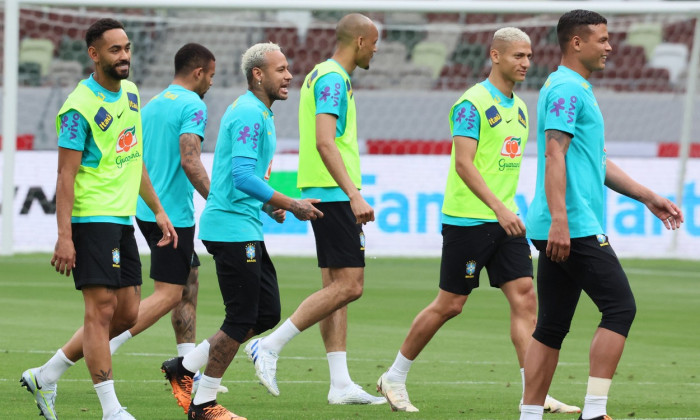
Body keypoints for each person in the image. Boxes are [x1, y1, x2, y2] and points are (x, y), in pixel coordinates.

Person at [374, 27, 579, 415]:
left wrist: (507, 210)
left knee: (525, 299)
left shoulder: (519, 108)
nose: (526, 63)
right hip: (469, 220)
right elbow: (464, 164)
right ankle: (395, 376)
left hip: (505, 222)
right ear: (495, 56)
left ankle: (531, 392)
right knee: (450, 304)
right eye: (518, 56)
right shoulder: (472, 103)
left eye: (530, 56)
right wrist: (499, 208)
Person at [519, 10, 684, 420]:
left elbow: (596, 161)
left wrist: (646, 196)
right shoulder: (565, 90)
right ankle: (594, 411)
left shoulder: (577, 89)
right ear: (577, 43)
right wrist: (561, 220)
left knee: (552, 326)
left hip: (566, 222)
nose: (610, 47)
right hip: (571, 223)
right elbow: (553, 153)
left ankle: (530, 414)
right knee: (620, 307)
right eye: (603, 39)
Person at [19, 18, 177, 420]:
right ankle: (111, 409)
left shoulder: (133, 94)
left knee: (127, 312)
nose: (124, 56)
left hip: (123, 218)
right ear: (94, 55)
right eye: (115, 50)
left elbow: (134, 157)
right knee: (101, 310)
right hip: (91, 218)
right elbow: (65, 176)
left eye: (127, 48)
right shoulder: (77, 108)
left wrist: (157, 209)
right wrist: (64, 236)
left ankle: (46, 374)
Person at [160, 42, 323, 420]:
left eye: (287, 69)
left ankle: (183, 369)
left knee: (266, 313)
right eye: (281, 69)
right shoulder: (250, 112)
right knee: (242, 317)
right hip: (231, 228)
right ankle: (204, 404)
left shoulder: (257, 112)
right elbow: (242, 176)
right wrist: (288, 203)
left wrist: (267, 205)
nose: (289, 76)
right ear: (258, 74)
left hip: (242, 223)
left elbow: (236, 176)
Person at [242, 13, 386, 406]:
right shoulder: (333, 79)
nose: (377, 48)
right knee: (350, 286)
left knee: (335, 288)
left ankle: (339, 383)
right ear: (359, 41)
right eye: (374, 42)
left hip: (327, 190)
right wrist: (353, 193)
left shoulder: (325, 76)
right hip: (334, 194)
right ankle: (269, 346)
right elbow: (326, 141)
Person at [109, 43, 219, 391]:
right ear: (198, 72)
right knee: (169, 293)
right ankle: (104, 343)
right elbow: (190, 160)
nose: (212, 84)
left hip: (146, 207)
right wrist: (217, 201)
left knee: (189, 280)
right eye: (212, 76)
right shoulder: (194, 105)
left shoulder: (152, 104)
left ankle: (186, 366)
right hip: (172, 215)